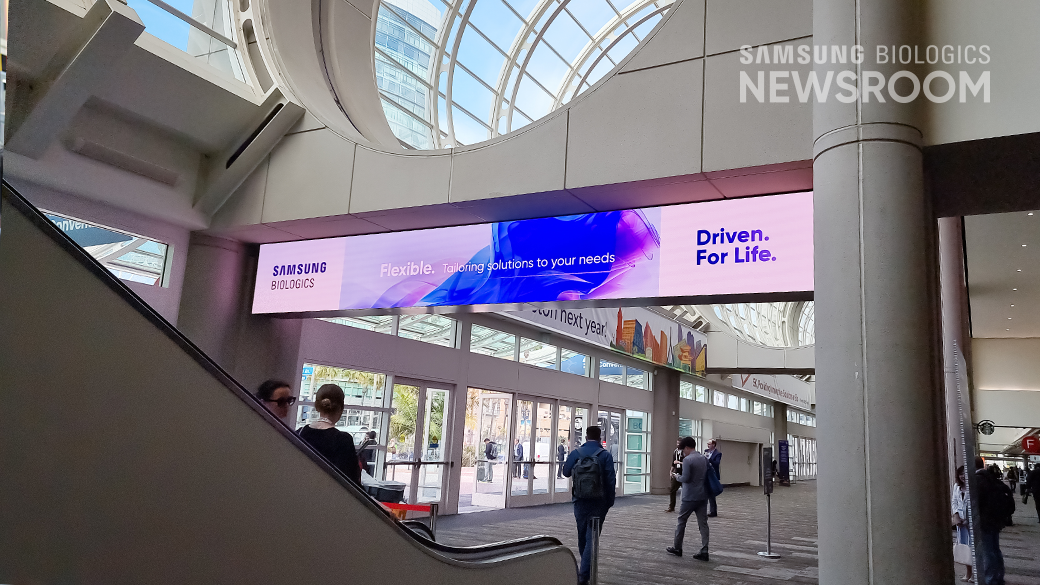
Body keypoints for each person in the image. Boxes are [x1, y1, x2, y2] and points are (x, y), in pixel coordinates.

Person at [562, 426, 616, 585]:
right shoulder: (605, 455)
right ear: (600, 438)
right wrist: (610, 501)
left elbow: (565, 472)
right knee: (592, 536)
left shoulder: (576, 453)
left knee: (582, 534)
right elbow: (610, 480)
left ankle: (584, 569)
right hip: (599, 501)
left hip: (579, 500)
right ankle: (583, 574)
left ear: (586, 437)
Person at [298, 384, 361, 483]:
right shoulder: (343, 440)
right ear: (341, 408)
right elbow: (351, 480)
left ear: (317, 407)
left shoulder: (300, 433)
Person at [666, 437, 710, 561]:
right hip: (702, 495)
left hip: (689, 496)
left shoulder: (687, 460)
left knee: (681, 521)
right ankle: (704, 549)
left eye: (683, 450)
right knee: (703, 524)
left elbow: (685, 478)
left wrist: (676, 476)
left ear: (686, 447)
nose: (683, 453)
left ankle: (677, 547)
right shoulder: (703, 458)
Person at [976, 456, 1013, 585]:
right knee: (995, 549)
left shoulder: (978, 480)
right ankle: (998, 576)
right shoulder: (991, 478)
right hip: (995, 520)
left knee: (987, 551)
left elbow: (977, 502)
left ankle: (990, 579)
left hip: (984, 520)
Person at [952, 465, 973, 583]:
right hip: (960, 523)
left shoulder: (973, 486)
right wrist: (956, 516)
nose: (963, 476)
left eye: (965, 473)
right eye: (961, 474)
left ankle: (975, 572)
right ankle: (968, 571)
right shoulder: (957, 487)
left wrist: (968, 519)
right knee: (964, 548)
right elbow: (954, 501)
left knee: (973, 548)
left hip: (971, 522)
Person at [705, 439, 722, 517]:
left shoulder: (718, 453)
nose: (708, 445)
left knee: (712, 494)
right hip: (706, 474)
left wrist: (709, 459)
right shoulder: (706, 451)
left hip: (713, 475)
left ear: (714, 445)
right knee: (706, 493)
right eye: (707, 444)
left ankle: (713, 511)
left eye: (709, 444)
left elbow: (717, 463)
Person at [665, 439, 683, 512]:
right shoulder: (675, 451)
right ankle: (671, 507)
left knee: (686, 491)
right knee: (672, 490)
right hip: (676, 473)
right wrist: (671, 471)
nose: (678, 444)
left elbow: (687, 462)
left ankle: (687, 507)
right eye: (677, 443)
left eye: (679, 443)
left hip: (683, 473)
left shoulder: (684, 452)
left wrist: (679, 462)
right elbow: (673, 463)